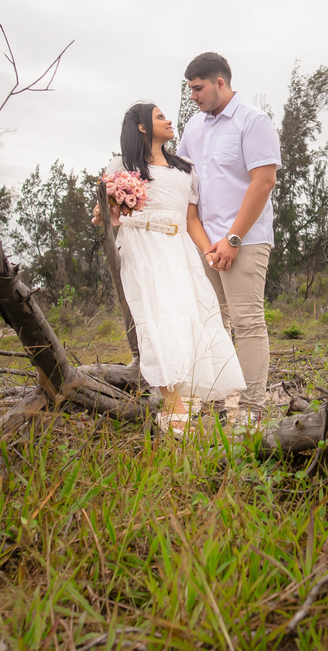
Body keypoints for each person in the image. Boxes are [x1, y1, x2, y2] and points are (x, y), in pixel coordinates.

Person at [93, 103, 246, 434]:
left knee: (191, 320)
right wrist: (106, 211)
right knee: (157, 321)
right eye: (161, 116)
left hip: (179, 249)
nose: (169, 120)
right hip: (141, 247)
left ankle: (184, 403)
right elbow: (104, 212)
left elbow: (191, 219)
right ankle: (174, 408)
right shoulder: (122, 165)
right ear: (143, 127)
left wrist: (209, 252)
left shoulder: (185, 168)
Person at [176, 53, 281, 427]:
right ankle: (218, 403)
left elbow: (263, 181)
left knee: (247, 322)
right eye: (190, 89)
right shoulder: (193, 128)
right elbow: (181, 181)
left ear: (220, 83)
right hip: (205, 243)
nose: (193, 96)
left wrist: (233, 239)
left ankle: (250, 412)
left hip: (245, 241)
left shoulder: (253, 121)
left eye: (198, 88)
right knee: (210, 323)